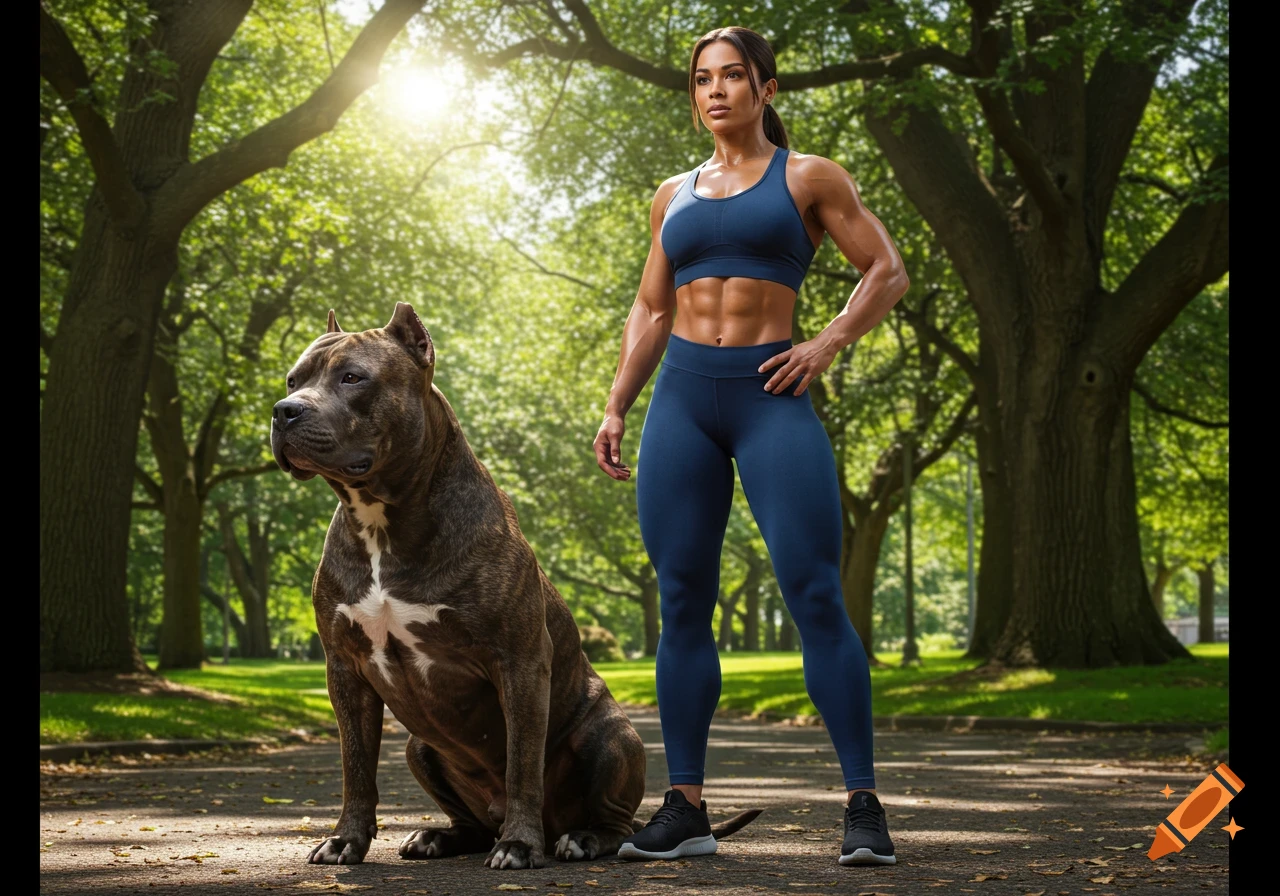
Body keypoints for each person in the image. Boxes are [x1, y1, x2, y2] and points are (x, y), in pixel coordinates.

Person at [592, 26, 910, 867]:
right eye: (703, 79)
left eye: (734, 76)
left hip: (773, 400)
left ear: (766, 88)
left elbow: (886, 269)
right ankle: (686, 807)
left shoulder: (808, 177)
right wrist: (619, 403)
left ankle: (863, 806)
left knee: (814, 593)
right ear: (694, 95)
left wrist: (827, 342)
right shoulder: (671, 195)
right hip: (684, 404)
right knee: (682, 597)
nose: (717, 91)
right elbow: (652, 309)